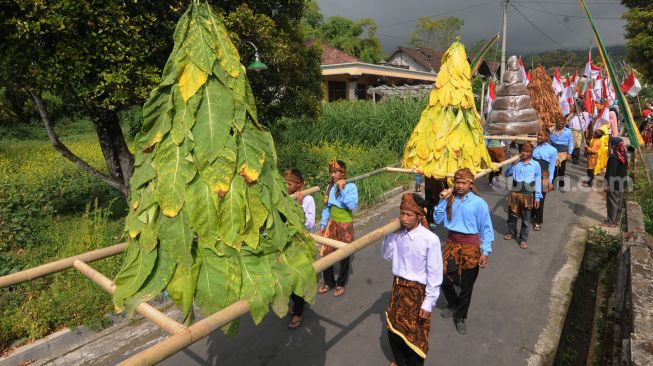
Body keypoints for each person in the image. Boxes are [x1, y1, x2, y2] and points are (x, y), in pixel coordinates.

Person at [382, 193, 443, 366]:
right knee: (394, 330)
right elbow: (387, 255)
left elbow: (434, 273)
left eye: (409, 214)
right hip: (398, 288)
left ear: (419, 215)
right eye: (402, 213)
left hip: (417, 293)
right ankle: (400, 362)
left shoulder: (430, 239)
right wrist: (389, 235)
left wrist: (429, 302)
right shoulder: (397, 234)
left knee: (415, 336)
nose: (404, 218)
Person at [434, 168, 494, 335]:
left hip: (471, 247)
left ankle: (460, 316)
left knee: (467, 285)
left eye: (463, 183)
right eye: (457, 183)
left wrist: (485, 252)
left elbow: (486, 229)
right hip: (451, 244)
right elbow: (437, 219)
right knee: (444, 278)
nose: (460, 186)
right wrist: (442, 200)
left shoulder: (479, 203)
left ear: (470, 184)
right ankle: (453, 303)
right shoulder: (449, 200)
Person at [318, 160, 358, 297]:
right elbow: (326, 208)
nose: (333, 175)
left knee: (344, 254)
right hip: (332, 222)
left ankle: (340, 284)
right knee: (326, 252)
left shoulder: (351, 186)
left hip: (345, 224)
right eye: (331, 172)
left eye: (335, 172)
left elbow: (352, 205)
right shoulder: (330, 187)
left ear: (343, 173)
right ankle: (329, 282)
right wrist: (323, 225)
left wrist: (342, 190)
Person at [284, 169, 316, 329]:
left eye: (289, 184)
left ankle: (298, 312)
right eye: (285, 183)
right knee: (289, 278)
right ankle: (297, 304)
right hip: (288, 244)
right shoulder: (284, 198)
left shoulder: (307, 199)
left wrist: (298, 206)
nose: (286, 186)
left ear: (299, 185)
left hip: (301, 244)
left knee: (299, 278)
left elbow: (309, 224)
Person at [503, 144, 542, 249]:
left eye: (527, 151)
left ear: (531, 153)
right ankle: (512, 233)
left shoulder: (535, 164)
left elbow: (538, 181)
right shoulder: (517, 163)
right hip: (515, 193)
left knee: (526, 218)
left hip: (528, 194)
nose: (524, 153)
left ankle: (523, 239)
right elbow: (506, 174)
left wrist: (538, 197)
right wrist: (512, 164)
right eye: (523, 151)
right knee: (512, 215)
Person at [531, 129, 557, 231]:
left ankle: (537, 221)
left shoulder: (552, 150)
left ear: (547, 137)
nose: (539, 137)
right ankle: (531, 216)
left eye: (541, 135)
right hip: (532, 174)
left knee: (541, 198)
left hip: (544, 175)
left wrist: (549, 181)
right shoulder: (534, 147)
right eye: (538, 135)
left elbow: (551, 167)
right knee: (532, 195)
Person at [601, 137, 629, 227]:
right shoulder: (623, 154)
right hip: (622, 182)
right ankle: (616, 221)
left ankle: (611, 221)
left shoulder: (614, 157)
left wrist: (608, 185)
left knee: (612, 202)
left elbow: (611, 173)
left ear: (612, 146)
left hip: (614, 184)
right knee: (619, 202)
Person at [550, 118, 573, 190]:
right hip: (553, 151)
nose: (561, 125)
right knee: (552, 168)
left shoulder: (568, 131)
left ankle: (561, 183)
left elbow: (570, 142)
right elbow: (550, 140)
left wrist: (570, 153)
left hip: (563, 152)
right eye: (559, 123)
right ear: (556, 123)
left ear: (565, 124)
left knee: (562, 169)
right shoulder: (552, 130)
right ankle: (552, 183)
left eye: (562, 123)